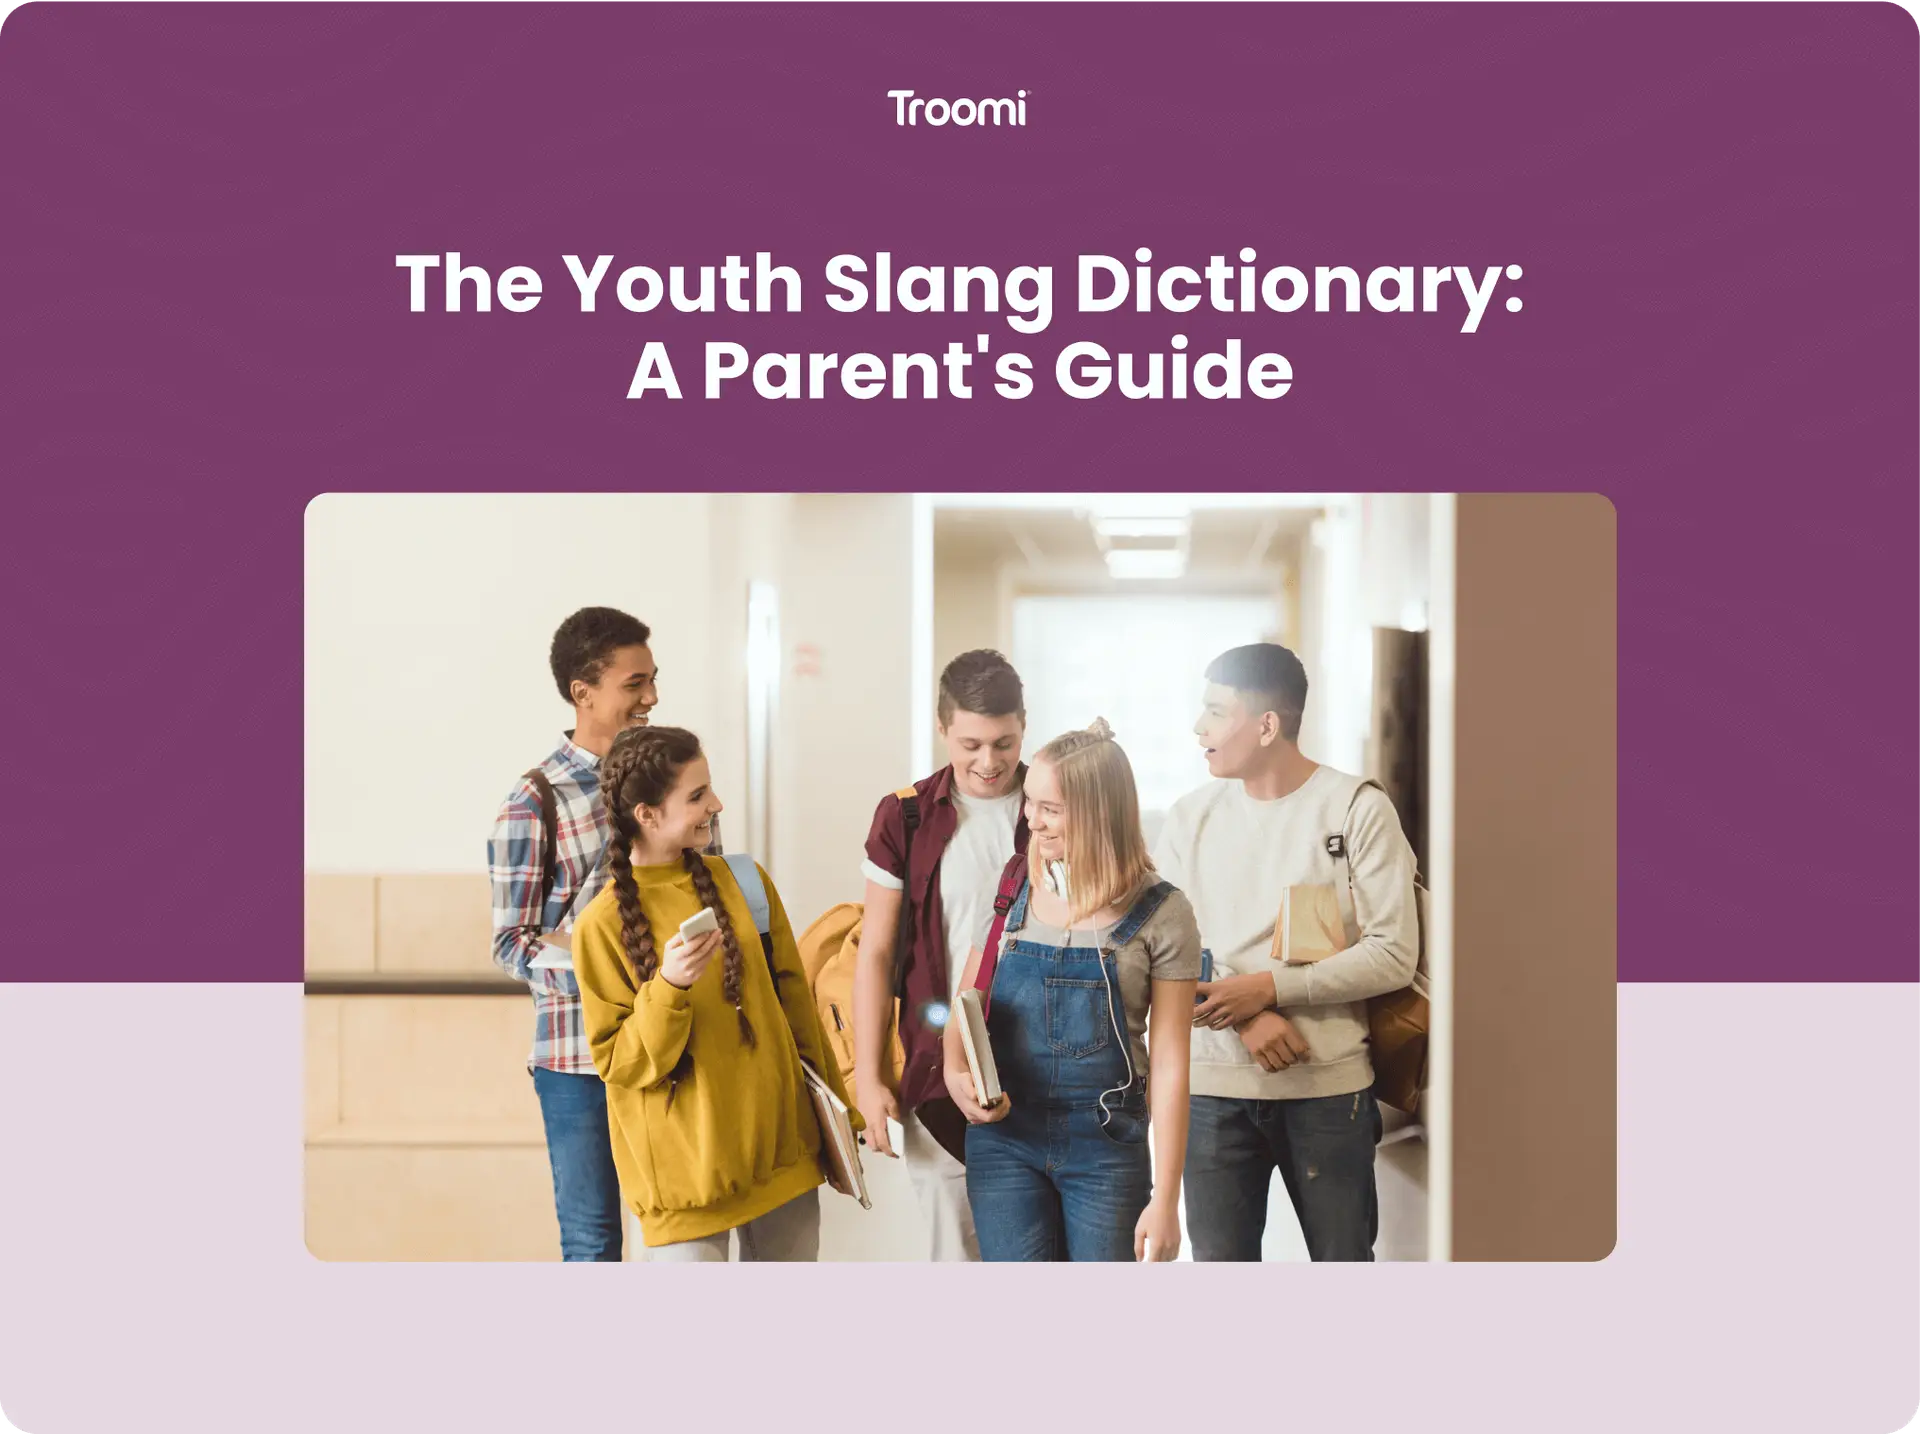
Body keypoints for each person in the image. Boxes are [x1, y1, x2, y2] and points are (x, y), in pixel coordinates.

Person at [1154, 643, 1419, 1262]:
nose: (1200, 728)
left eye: (1216, 712)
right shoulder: (1190, 818)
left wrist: (1271, 989)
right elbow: (1158, 953)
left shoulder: (1357, 808)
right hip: (1212, 1091)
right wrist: (1246, 1013)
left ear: (1267, 725)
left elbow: (1393, 953)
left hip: (1329, 1093)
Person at [486, 606, 722, 1262]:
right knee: (593, 1242)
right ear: (582, 693)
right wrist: (607, 971)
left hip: (677, 1045)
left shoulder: (678, 779)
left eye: (653, 680)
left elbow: (710, 895)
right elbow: (511, 942)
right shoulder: (533, 799)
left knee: (689, 1231)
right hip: (578, 1063)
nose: (651, 697)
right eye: (634, 684)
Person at [571, 725, 858, 1260]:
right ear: (648, 816)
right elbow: (621, 1063)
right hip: (685, 1184)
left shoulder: (745, 881)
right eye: (697, 795)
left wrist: (841, 1113)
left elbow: (796, 1005)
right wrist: (669, 986)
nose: (716, 804)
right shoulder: (600, 926)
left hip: (782, 1159)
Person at [944, 720, 1199, 1262]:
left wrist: (1168, 1199)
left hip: (1107, 1146)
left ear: (1098, 811)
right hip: (1004, 1141)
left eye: (1050, 808)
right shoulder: (1011, 885)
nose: (1031, 820)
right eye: (1030, 802)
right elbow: (966, 1002)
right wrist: (954, 1074)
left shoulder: (1163, 912)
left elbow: (1173, 1063)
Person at [852, 649, 1030, 1262]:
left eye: (1004, 743)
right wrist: (868, 1074)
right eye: (971, 744)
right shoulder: (904, 816)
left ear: (1024, 725)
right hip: (938, 1072)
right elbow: (875, 953)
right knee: (955, 1254)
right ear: (942, 727)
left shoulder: (1059, 810)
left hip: (1043, 1063)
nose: (989, 762)